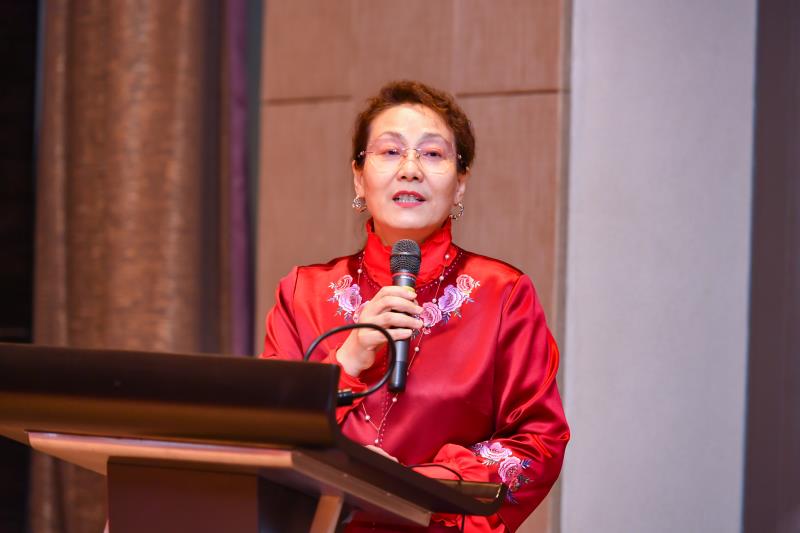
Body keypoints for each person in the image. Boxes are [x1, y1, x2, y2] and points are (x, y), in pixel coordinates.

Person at [260, 80, 569, 532]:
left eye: (432, 153)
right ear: (358, 177)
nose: (410, 169)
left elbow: (537, 443)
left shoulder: (503, 294)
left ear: (460, 183)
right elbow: (267, 433)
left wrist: (411, 485)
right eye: (389, 151)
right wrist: (348, 357)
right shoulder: (302, 292)